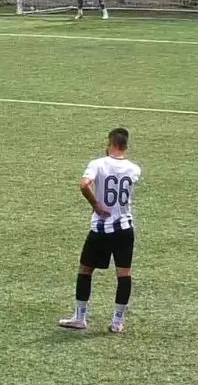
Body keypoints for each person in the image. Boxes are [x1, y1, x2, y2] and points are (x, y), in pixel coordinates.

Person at [58, 127, 141, 334]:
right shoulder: (135, 169)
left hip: (101, 228)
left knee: (85, 270)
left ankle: (80, 317)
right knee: (124, 274)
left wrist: (95, 204)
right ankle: (117, 321)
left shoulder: (98, 164)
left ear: (110, 143)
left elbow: (84, 185)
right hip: (125, 228)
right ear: (126, 146)